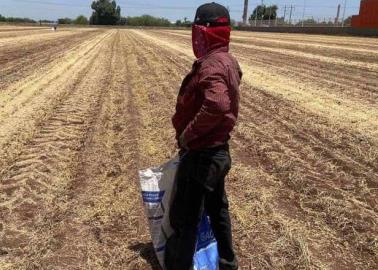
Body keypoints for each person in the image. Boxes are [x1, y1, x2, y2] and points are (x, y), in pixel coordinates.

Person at [165, 2, 242, 270]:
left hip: (202, 156)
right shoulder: (228, 60)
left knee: (186, 218)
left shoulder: (211, 65)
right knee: (218, 211)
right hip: (219, 153)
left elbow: (218, 104)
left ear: (205, 32)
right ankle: (228, 263)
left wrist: (188, 134)